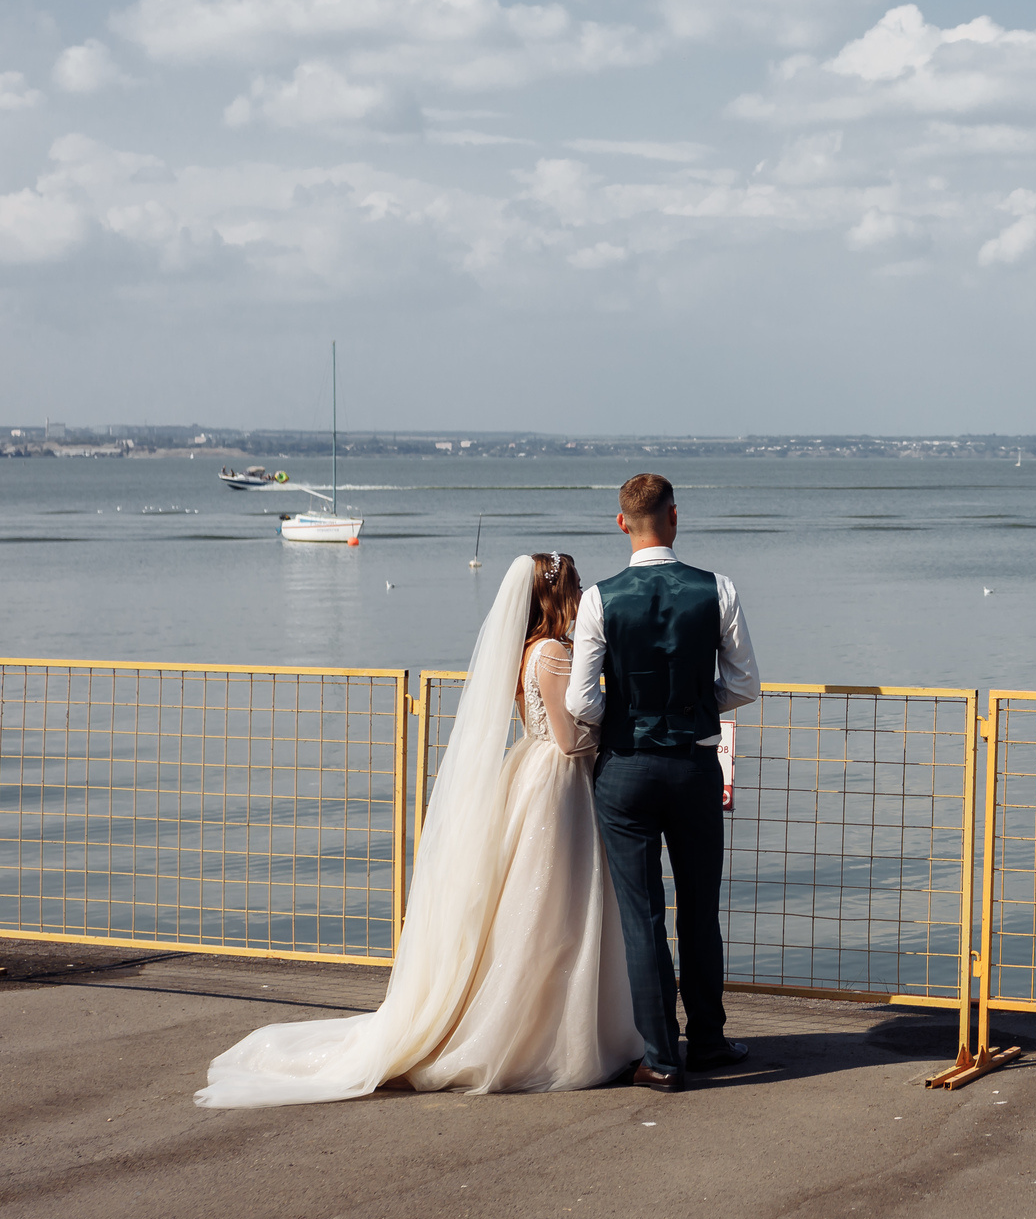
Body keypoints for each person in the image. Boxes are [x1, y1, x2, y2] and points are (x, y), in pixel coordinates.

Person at [196, 554, 644, 1106]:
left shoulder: (523, 652)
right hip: (558, 781)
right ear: (554, 597)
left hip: (530, 770)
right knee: (556, 906)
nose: (580, 595)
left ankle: (544, 1024)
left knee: (536, 906)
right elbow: (569, 738)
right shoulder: (552, 653)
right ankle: (549, 1036)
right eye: (574, 586)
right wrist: (621, 732)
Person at [565, 472, 761, 1092]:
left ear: (622, 523)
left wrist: (624, 716)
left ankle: (661, 1057)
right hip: (695, 766)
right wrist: (699, 710)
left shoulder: (598, 598)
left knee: (642, 917)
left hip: (624, 768)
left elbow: (580, 699)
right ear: (674, 517)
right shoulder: (717, 589)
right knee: (699, 911)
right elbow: (745, 684)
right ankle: (707, 1039)